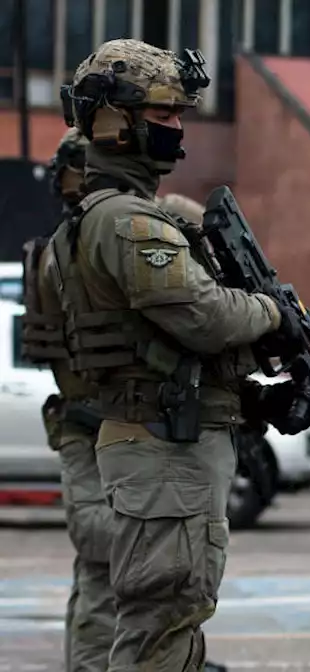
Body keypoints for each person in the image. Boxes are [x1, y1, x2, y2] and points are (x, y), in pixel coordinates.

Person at [56, 39, 302, 669]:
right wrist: (273, 311)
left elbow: (162, 343)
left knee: (173, 616)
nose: (175, 129)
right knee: (162, 619)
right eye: (163, 115)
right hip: (161, 451)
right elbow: (203, 314)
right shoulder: (128, 222)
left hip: (165, 445)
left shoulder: (116, 216)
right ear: (115, 120)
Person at [20, 128, 114, 672]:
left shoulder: (72, 242)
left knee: (99, 574)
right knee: (106, 565)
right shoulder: (80, 248)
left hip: (97, 424)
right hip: (96, 424)